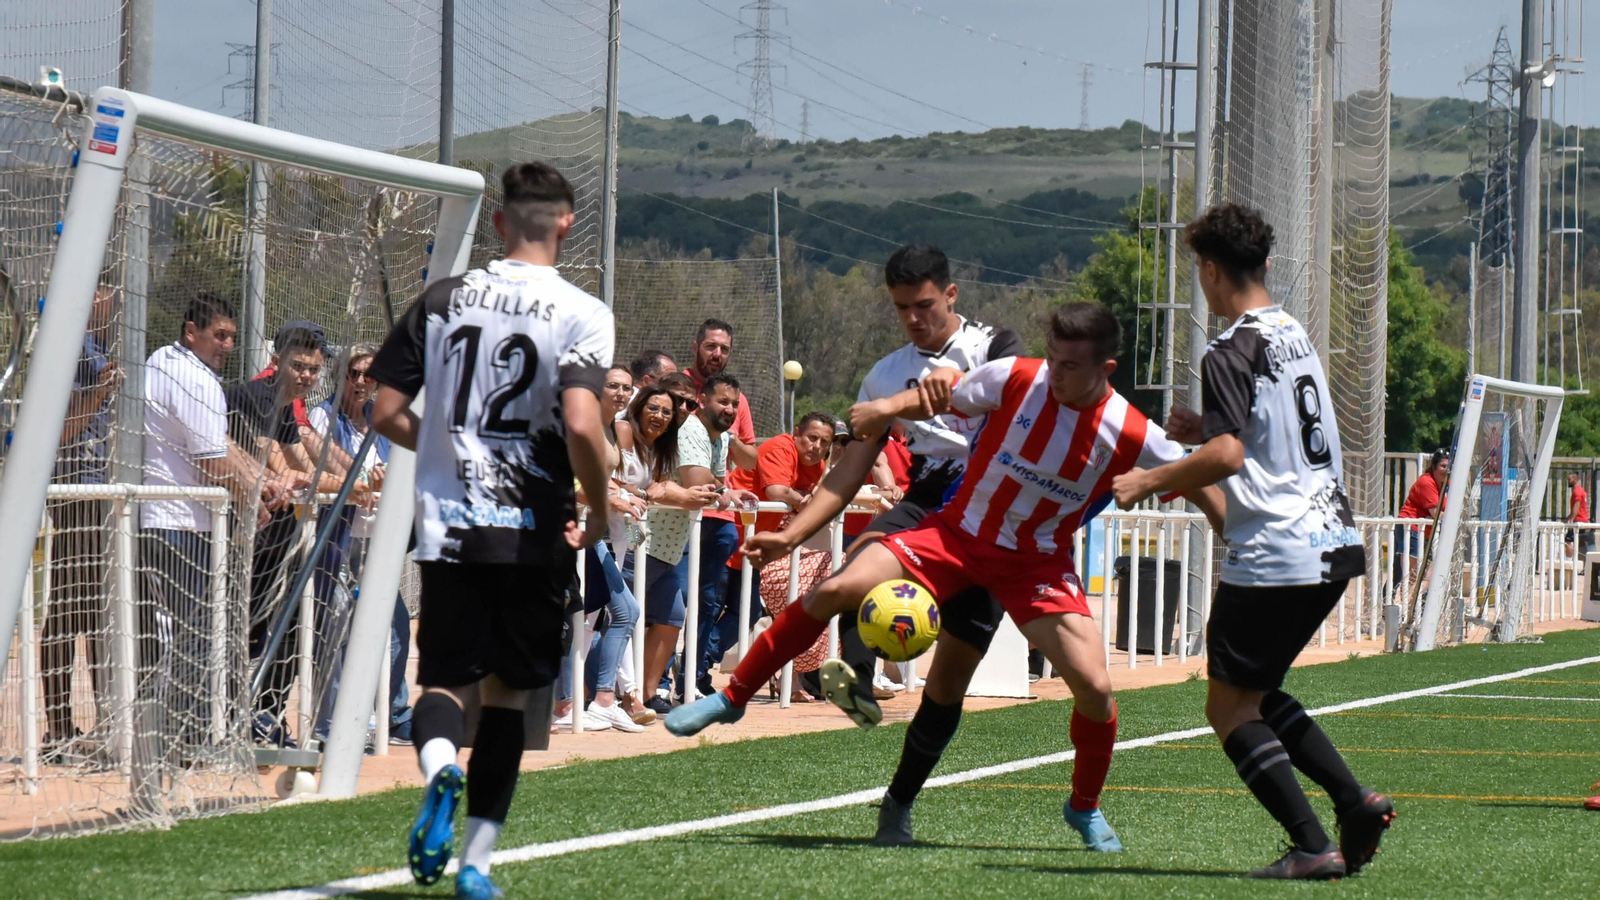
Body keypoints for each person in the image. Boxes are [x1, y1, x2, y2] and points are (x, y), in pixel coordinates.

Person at [669, 301, 1225, 857]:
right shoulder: (1018, 375)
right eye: (1052, 358)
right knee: (839, 587)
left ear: (1106, 369)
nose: (1054, 374)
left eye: (1070, 367)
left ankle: (1080, 806)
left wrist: (1233, 532)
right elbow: (947, 392)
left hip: (1035, 565)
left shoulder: (1129, 429)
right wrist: (888, 404)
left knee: (1092, 690)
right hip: (956, 536)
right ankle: (735, 695)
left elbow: (1195, 472)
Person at [699, 243, 1027, 840]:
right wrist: (788, 536)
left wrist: (904, 401)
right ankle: (853, 676)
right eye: (901, 307)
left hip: (993, 519)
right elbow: (848, 474)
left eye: (924, 304)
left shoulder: (994, 345)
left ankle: (898, 803)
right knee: (850, 570)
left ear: (950, 295)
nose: (913, 318)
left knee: (949, 684)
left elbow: (993, 387)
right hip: (928, 503)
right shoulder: (883, 372)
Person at [1111, 202, 1391, 880]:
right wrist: (1199, 431)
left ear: (1209, 271)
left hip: (1275, 551)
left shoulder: (1228, 347)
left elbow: (1231, 455)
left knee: (1228, 706)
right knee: (1257, 694)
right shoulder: (1291, 331)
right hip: (1332, 540)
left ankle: (1311, 844)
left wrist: (1151, 479)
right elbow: (1262, 433)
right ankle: (1355, 801)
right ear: (1264, 264)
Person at [368, 161, 615, 900]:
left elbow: (383, 412)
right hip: (535, 529)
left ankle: (440, 762)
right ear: (567, 223)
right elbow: (579, 422)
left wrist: (448, 449)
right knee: (511, 697)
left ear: (500, 222)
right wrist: (596, 506)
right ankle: (476, 865)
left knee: (444, 678)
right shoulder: (582, 309)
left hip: (451, 527)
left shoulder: (442, 299)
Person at [139, 293, 301, 762]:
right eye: (219, 335)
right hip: (177, 522)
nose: (227, 345)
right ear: (191, 331)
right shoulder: (188, 375)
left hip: (178, 520)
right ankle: (176, 742)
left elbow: (222, 443)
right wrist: (257, 499)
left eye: (232, 336)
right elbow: (212, 462)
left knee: (194, 634)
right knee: (194, 635)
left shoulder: (176, 367)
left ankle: (178, 738)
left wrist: (262, 483)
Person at [229, 321, 375, 748]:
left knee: (292, 625)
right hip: (240, 539)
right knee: (244, 629)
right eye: (300, 366)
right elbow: (285, 471)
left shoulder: (285, 404)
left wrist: (354, 479)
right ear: (277, 362)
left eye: (314, 368)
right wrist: (353, 485)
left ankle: (265, 714)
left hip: (276, 539)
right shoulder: (257, 395)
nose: (308, 376)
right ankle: (232, 716)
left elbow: (306, 467)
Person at [306, 344, 410, 745]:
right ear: (341, 375)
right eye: (355, 373)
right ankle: (335, 722)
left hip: (376, 540)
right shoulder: (323, 416)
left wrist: (387, 477)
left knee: (396, 626)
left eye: (371, 375)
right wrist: (367, 484)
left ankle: (390, 713)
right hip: (340, 537)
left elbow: (395, 468)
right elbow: (324, 472)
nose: (363, 382)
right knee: (338, 625)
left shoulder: (378, 419)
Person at [42, 280, 119, 759]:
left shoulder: (101, 346)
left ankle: (99, 722)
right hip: (76, 488)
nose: (113, 303)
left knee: (94, 610)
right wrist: (99, 393)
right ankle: (58, 728)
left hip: (103, 489)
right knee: (69, 608)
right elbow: (58, 427)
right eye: (108, 292)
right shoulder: (71, 347)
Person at [554, 365, 649, 733]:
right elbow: (571, 479)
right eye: (613, 386)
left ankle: (599, 701)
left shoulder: (611, 427)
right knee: (604, 613)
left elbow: (599, 474)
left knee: (596, 615)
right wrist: (614, 500)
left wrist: (627, 491)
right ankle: (574, 704)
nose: (622, 393)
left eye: (627, 388)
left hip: (592, 530)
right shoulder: (585, 423)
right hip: (574, 529)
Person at [620, 385, 720, 718]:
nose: (668, 414)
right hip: (625, 537)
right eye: (659, 407)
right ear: (638, 407)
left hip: (661, 547)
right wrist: (678, 496)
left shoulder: (659, 447)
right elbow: (628, 487)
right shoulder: (623, 432)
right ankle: (606, 697)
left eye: (678, 406)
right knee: (617, 617)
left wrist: (682, 493)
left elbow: (662, 485)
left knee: (671, 616)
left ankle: (648, 695)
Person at [676, 373, 760, 700]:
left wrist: (727, 490)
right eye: (722, 401)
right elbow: (699, 478)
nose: (729, 409)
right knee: (672, 608)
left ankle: (692, 679)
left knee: (707, 606)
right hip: (676, 532)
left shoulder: (723, 438)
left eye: (734, 404)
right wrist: (725, 489)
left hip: (716, 527)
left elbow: (729, 475)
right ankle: (659, 685)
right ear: (702, 401)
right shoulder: (690, 427)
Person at [684, 319, 757, 469]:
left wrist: (730, 439)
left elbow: (750, 463)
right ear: (695, 348)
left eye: (724, 349)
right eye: (711, 347)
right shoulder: (676, 389)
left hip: (722, 489)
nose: (717, 355)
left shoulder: (736, 400)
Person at [1396, 449, 1447, 580]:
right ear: (1434, 466)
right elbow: (1436, 514)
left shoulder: (1446, 484)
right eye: (1443, 466)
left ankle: (1406, 599)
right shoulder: (1426, 482)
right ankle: (1402, 600)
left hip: (1426, 532)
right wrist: (1449, 515)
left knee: (1428, 574)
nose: (1446, 470)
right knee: (1411, 574)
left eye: (1449, 467)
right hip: (1411, 528)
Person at [1566, 472, 1592, 558]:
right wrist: (1568, 518)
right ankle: (1574, 560)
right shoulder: (1581, 490)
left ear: (1575, 479)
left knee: (1568, 540)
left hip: (1579, 520)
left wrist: (1571, 520)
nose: (1568, 482)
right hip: (1582, 520)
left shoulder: (1577, 492)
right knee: (1578, 543)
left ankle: (1570, 559)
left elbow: (1577, 506)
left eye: (1569, 480)